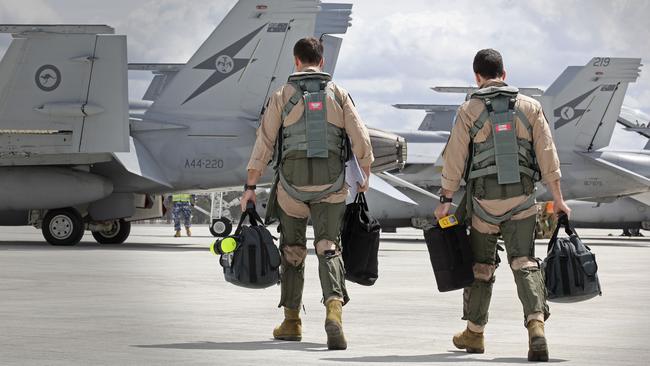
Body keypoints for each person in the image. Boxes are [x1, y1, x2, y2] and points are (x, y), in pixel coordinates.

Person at [434, 49, 571, 362]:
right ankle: (536, 328)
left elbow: (454, 160)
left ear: (477, 77)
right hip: (523, 201)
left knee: (481, 267)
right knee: (524, 262)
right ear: (504, 74)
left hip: (484, 203)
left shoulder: (468, 109)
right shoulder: (531, 106)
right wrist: (558, 198)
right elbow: (548, 154)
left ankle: (474, 333)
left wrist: (445, 200)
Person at [240, 37, 373, 350]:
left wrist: (250, 186)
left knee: (293, 251)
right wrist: (364, 174)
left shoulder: (281, 95)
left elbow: (264, 144)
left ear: (296, 61)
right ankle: (334, 314)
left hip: (291, 187)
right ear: (322, 62)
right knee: (329, 246)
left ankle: (291, 321)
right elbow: (360, 138)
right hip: (331, 186)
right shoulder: (338, 94)